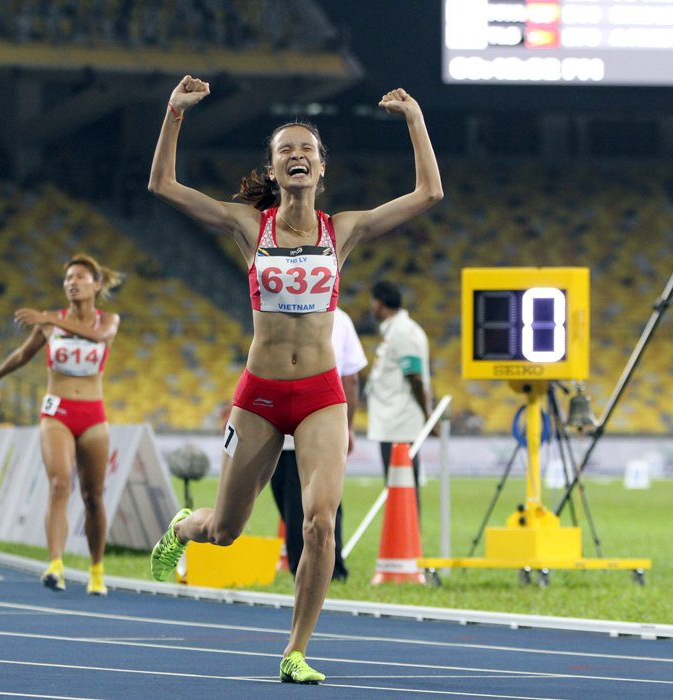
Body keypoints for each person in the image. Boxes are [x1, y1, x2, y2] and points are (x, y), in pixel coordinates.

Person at [147, 75, 442, 684]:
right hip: (258, 397)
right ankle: (184, 526)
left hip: (319, 397)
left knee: (319, 522)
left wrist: (415, 119)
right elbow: (163, 185)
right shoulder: (248, 226)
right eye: (287, 150)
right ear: (275, 169)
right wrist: (174, 112)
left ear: (321, 169)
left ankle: (295, 651)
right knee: (225, 530)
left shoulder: (344, 230)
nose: (298, 155)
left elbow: (429, 193)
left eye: (308, 148)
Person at [0, 254, 122, 596]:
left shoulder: (108, 320)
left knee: (93, 497)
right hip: (57, 412)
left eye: (80, 277)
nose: (72, 283)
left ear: (96, 285)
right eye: (68, 278)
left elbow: (98, 337)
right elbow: (22, 354)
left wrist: (48, 318)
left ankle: (96, 570)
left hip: (93, 415)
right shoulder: (50, 323)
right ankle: (55, 565)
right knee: (59, 484)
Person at [270, 307, 367, 582]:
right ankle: (329, 568)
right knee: (324, 500)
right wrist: (346, 425)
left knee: (294, 501)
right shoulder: (341, 318)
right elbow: (351, 378)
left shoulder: (278, 311)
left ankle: (309, 570)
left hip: (286, 424)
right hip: (324, 424)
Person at [366, 280, 433, 512]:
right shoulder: (397, 330)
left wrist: (427, 414)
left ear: (379, 302)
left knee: (403, 489)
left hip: (399, 423)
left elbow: (414, 375)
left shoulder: (402, 331)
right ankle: (405, 533)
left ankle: (409, 534)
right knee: (399, 488)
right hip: (393, 421)